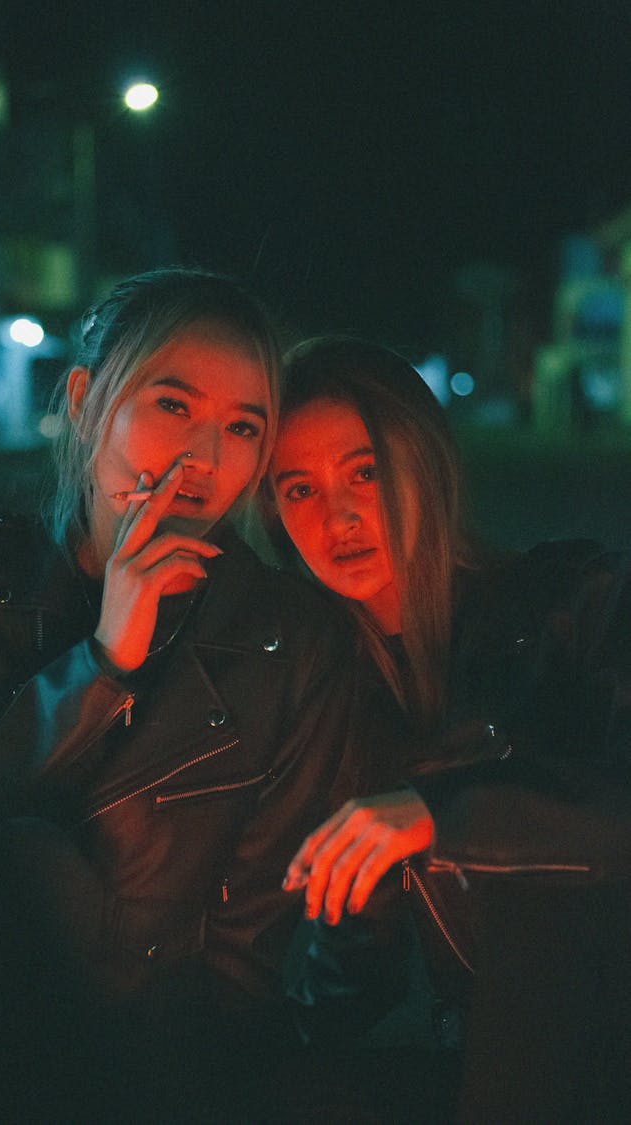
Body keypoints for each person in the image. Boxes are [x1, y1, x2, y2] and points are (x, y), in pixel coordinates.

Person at [0, 273, 373, 1123]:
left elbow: (249, 952)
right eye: (172, 405)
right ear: (86, 400)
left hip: (174, 1075)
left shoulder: (288, 637)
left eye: (242, 427)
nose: (205, 456)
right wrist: (105, 658)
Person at [263, 336, 631, 1123]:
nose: (340, 515)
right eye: (298, 490)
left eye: (364, 471)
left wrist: (446, 813)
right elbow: (354, 969)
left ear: (421, 459)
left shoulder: (573, 600)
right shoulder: (330, 696)